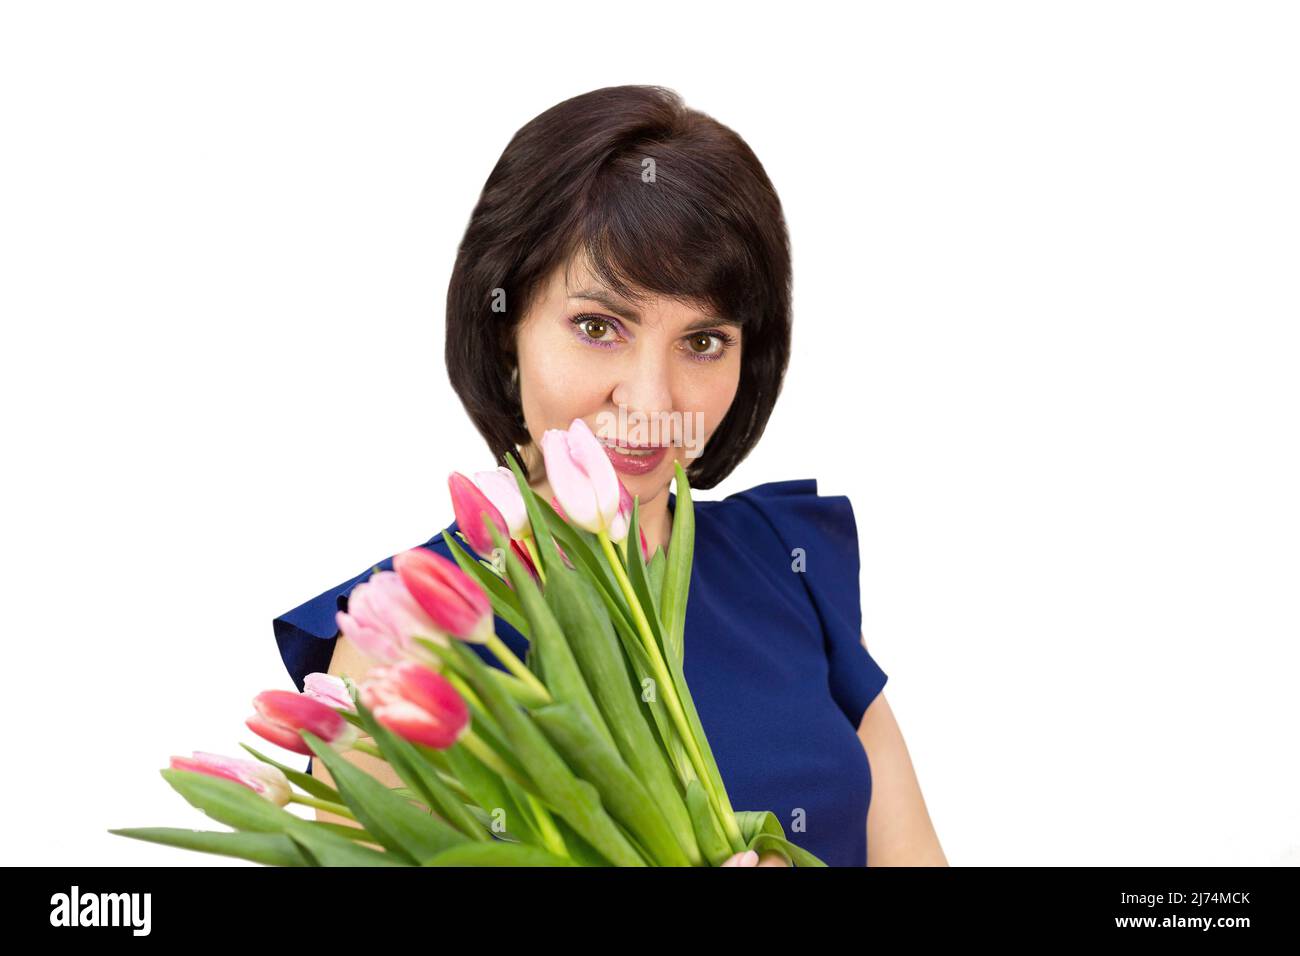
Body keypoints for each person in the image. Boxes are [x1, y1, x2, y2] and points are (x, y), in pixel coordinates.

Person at [273, 85, 946, 867]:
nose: (652, 400)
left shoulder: (790, 565)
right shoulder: (407, 632)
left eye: (703, 342)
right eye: (598, 327)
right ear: (505, 334)